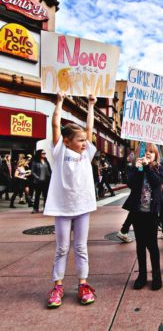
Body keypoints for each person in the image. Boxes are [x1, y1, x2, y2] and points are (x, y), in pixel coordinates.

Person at [44, 92, 97, 308]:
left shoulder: (87, 154)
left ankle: (83, 284)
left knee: (81, 247)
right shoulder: (59, 152)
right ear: (67, 141)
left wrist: (91, 105)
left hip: (82, 206)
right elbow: (55, 125)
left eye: (85, 140)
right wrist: (59, 102)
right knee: (62, 248)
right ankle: (58, 286)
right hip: (62, 207)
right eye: (80, 140)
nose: (85, 142)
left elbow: (90, 127)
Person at [122, 143, 163, 290]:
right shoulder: (136, 168)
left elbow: (157, 182)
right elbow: (131, 184)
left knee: (152, 245)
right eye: (145, 151)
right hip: (137, 212)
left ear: (156, 155)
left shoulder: (158, 168)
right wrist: (140, 168)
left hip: (152, 213)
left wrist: (147, 167)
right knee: (140, 244)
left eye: (151, 152)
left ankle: (157, 275)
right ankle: (142, 275)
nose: (147, 154)